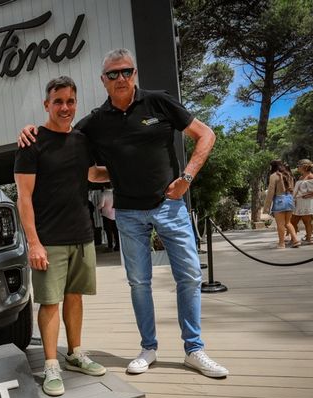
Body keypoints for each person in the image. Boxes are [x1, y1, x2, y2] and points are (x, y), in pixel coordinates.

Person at [19, 48, 229, 378]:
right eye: (113, 74)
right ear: (103, 80)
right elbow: (68, 144)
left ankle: (194, 349)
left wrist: (186, 178)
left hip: (169, 207)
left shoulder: (159, 102)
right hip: (128, 213)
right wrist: (31, 131)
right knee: (139, 283)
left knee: (189, 276)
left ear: (135, 74)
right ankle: (148, 348)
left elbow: (206, 134)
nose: (121, 78)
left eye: (126, 71)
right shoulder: (94, 123)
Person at [14, 76, 107, 397]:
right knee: (50, 302)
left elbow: (90, 174)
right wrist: (33, 243)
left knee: (75, 296)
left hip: (81, 233)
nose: (65, 107)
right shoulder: (31, 142)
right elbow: (23, 197)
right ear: (46, 104)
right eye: (58, 101)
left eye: (70, 101)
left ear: (75, 104)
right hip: (48, 239)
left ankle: (75, 354)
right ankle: (51, 364)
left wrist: (127, 169)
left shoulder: (81, 140)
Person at [265, 160, 300, 248]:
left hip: (279, 200)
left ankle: (281, 243)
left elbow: (271, 192)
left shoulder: (274, 176)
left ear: (272, 167)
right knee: (288, 223)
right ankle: (295, 240)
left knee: (280, 224)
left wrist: (267, 207)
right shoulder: (288, 175)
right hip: (289, 199)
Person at [291, 160, 313, 243]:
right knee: (293, 221)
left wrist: (311, 194)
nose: (297, 168)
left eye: (299, 166)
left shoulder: (310, 176)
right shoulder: (301, 177)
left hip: (307, 202)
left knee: (307, 221)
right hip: (299, 202)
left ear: (304, 167)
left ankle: (308, 238)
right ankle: (294, 239)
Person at [99, 183, 119, 251]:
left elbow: (101, 205)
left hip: (106, 215)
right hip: (115, 215)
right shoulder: (115, 193)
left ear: (104, 186)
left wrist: (97, 206)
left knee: (108, 231)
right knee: (115, 231)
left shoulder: (104, 194)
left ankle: (110, 246)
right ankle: (117, 246)